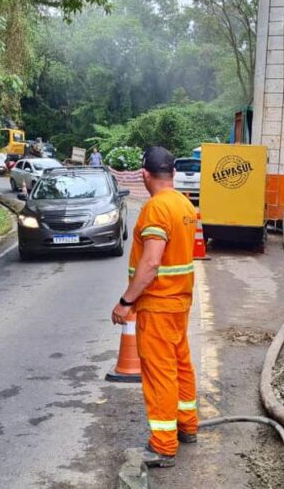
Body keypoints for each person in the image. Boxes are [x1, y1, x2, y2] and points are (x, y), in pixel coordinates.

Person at [111, 146, 198, 468]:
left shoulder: (156, 208)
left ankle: (163, 445)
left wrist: (126, 302)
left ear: (144, 174)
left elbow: (150, 264)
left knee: (160, 373)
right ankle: (187, 425)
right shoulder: (184, 204)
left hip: (158, 304)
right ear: (173, 173)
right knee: (181, 365)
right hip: (179, 302)